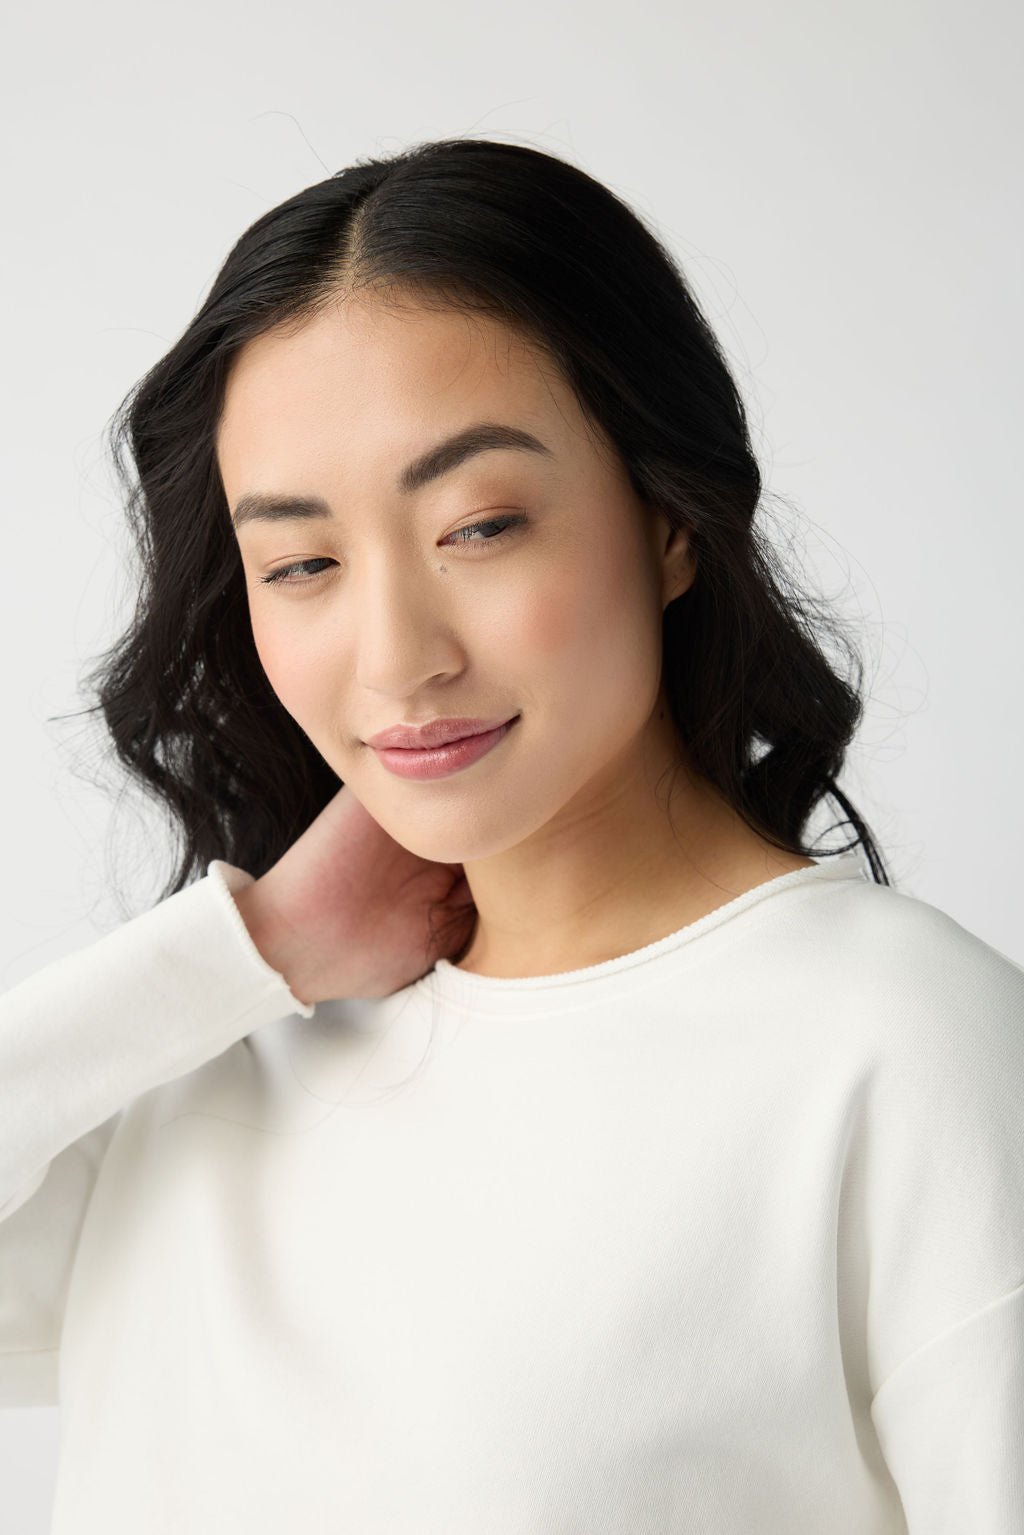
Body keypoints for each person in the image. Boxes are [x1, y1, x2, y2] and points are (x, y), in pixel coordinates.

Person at [2, 137, 1022, 1533]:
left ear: (670, 522)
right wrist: (253, 952)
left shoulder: (902, 1046)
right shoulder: (202, 1067)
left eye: (479, 526)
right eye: (301, 564)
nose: (396, 658)